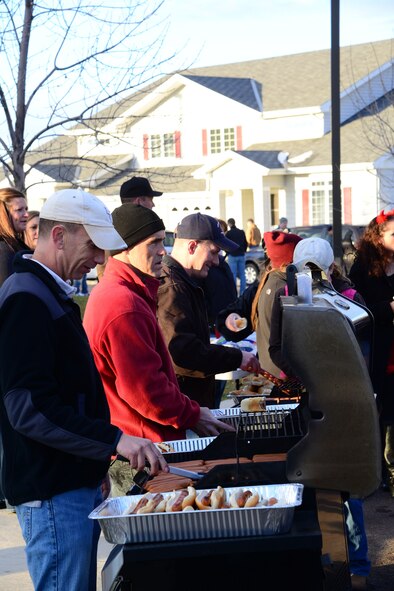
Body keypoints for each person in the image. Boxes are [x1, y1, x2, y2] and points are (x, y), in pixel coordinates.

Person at [0, 188, 168, 591]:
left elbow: (68, 391)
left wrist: (95, 464)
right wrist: (113, 440)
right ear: (58, 236)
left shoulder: (45, 292)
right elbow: (30, 408)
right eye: (93, 246)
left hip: (69, 482)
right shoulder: (26, 299)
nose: (99, 259)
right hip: (52, 489)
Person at [83, 204, 234, 495]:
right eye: (153, 243)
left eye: (162, 241)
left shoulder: (126, 294)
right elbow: (146, 392)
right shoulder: (123, 304)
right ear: (124, 248)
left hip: (144, 445)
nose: (163, 251)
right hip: (143, 453)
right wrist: (193, 414)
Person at [269, 236, 371, 589]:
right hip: (304, 397)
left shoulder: (351, 300)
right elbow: (276, 347)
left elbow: (359, 356)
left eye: (318, 269)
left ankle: (357, 566)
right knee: (312, 479)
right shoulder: (286, 298)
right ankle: (320, 561)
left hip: (343, 401)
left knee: (345, 485)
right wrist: (302, 374)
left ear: (331, 268)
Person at [157, 212, 261, 408]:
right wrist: (236, 358)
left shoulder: (185, 282)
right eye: (213, 252)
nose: (216, 261)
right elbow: (183, 354)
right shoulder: (172, 289)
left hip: (193, 401)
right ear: (192, 246)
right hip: (184, 405)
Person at [349, 209, 394, 499]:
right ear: (377, 238)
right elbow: (356, 315)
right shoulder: (362, 268)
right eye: (393, 234)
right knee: (383, 412)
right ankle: (384, 472)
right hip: (378, 352)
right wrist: (388, 309)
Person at [217, 231, 302, 378]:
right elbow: (234, 314)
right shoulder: (275, 286)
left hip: (271, 372)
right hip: (285, 373)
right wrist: (231, 319)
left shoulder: (268, 283)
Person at [0, 187, 29, 286]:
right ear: (4, 214)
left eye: (26, 209)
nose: (26, 214)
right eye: (19, 210)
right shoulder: (3, 249)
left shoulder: (14, 244)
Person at [226, 217, 248, 294]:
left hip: (232, 255)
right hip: (241, 255)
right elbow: (246, 243)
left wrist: (227, 252)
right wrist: (244, 251)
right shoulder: (241, 232)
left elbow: (226, 244)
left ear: (229, 224)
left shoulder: (228, 233)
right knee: (242, 274)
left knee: (233, 275)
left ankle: (234, 292)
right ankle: (243, 292)